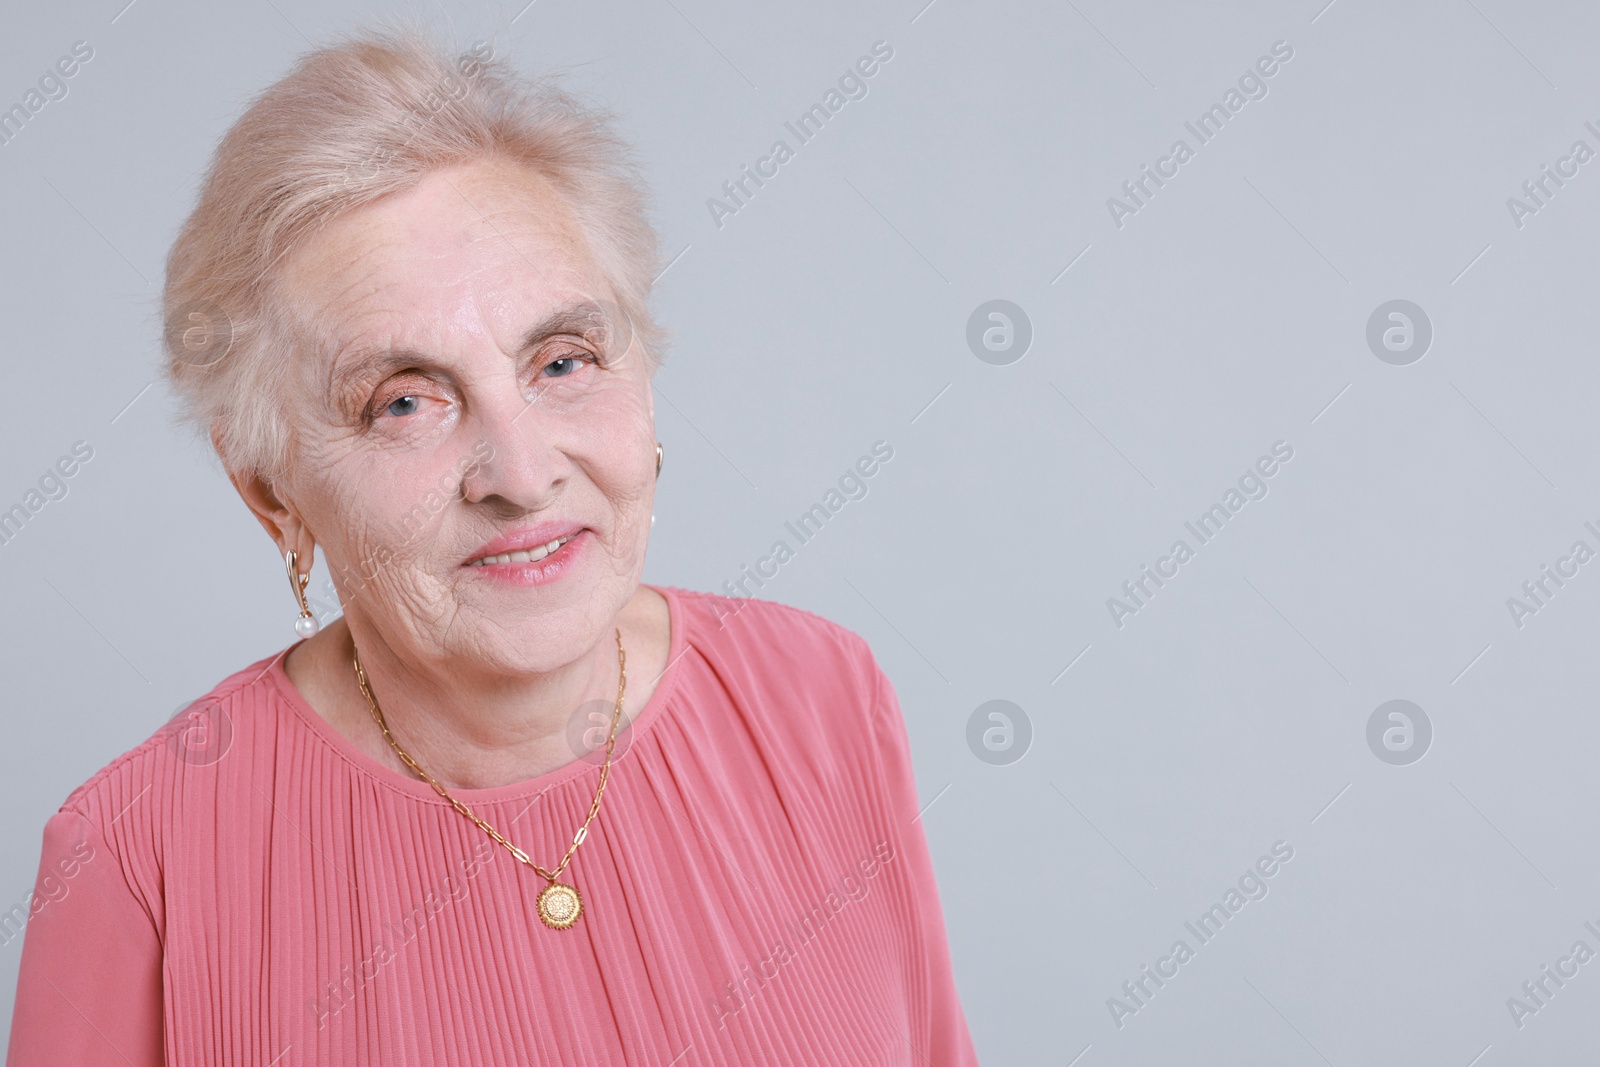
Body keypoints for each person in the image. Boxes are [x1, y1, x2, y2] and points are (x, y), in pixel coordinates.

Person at [5, 24, 979, 1066]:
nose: (519, 474)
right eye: (405, 401)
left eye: (562, 361)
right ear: (271, 490)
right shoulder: (138, 858)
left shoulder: (819, 695)